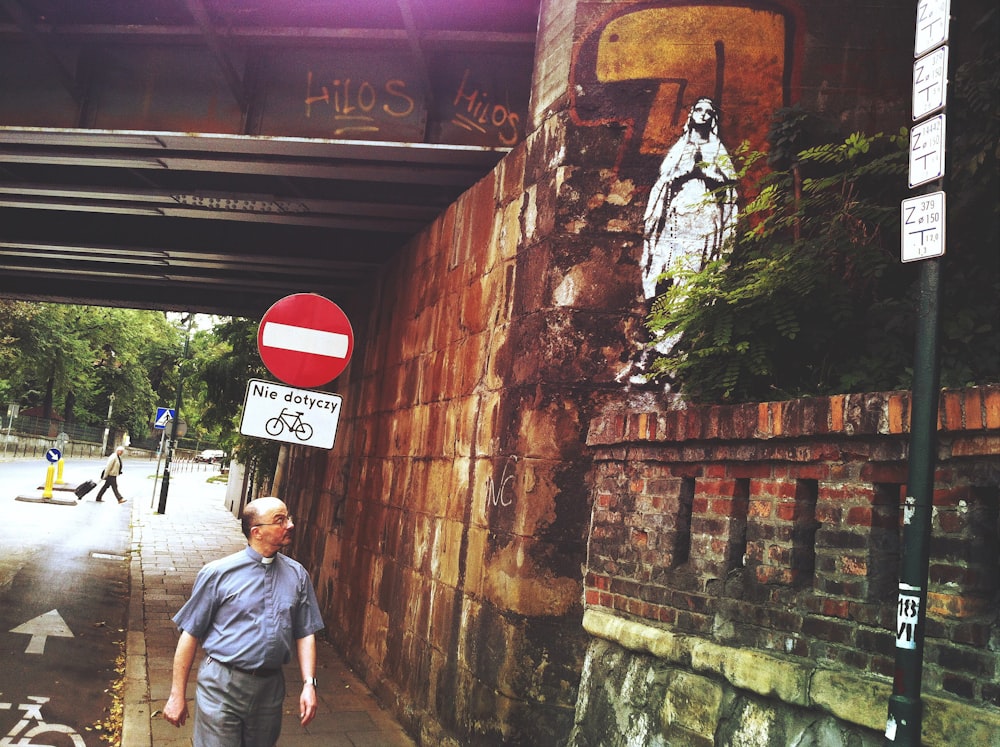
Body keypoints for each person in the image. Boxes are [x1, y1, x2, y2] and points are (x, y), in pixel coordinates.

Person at [163, 496, 325, 746]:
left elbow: (305, 633)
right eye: (280, 520)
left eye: (288, 517)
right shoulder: (218, 574)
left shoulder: (297, 575)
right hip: (222, 687)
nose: (290, 525)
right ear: (257, 532)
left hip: (270, 690)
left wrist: (309, 684)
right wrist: (177, 696)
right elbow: (190, 633)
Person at [637, 96, 739, 364]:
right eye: (699, 110)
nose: (703, 115)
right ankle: (660, 334)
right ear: (691, 114)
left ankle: (672, 344)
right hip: (675, 220)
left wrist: (705, 174)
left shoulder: (716, 148)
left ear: (713, 119)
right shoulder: (680, 146)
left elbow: (728, 185)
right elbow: (664, 180)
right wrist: (681, 175)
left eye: (709, 111)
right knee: (665, 275)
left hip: (703, 220)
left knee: (691, 277)